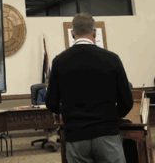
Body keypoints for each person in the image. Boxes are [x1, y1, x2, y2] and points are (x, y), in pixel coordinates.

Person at [45, 13, 133, 163]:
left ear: (72, 34)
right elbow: (126, 101)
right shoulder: (112, 59)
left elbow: (51, 103)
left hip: (76, 135)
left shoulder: (59, 61)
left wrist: (68, 113)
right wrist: (112, 116)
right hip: (107, 132)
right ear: (95, 32)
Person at [36, 79, 59, 151]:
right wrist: (50, 104)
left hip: (54, 113)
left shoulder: (56, 91)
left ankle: (51, 142)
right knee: (47, 124)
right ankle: (52, 142)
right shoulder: (41, 92)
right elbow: (39, 102)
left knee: (54, 125)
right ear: (46, 84)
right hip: (44, 114)